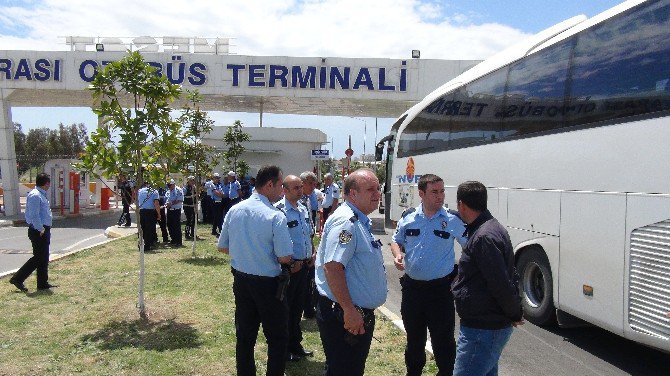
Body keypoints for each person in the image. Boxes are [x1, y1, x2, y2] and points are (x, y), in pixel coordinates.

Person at [218, 165, 294, 376]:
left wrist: (246, 252)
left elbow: (223, 246)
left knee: (245, 336)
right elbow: (285, 256)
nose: (282, 190)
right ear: (269, 184)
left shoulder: (235, 209)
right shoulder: (274, 215)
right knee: (277, 338)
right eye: (281, 185)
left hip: (241, 281)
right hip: (269, 285)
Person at [390, 174, 467, 376]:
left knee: (443, 340)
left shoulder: (452, 219)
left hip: (440, 291)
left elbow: (471, 247)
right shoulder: (408, 217)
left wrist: (463, 275)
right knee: (414, 338)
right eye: (434, 192)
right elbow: (396, 240)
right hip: (413, 290)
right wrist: (398, 255)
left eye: (442, 191)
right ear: (422, 194)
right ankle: (413, 372)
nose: (440, 196)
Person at [315, 168, 386, 376]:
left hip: (353, 312)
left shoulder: (359, 220)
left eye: (378, 189)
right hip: (344, 314)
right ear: (353, 193)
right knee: (344, 370)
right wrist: (349, 310)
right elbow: (333, 267)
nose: (377, 194)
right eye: (370, 189)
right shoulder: (347, 222)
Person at [451, 181, 523, 376]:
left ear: (461, 205)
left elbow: (500, 283)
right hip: (487, 326)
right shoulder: (491, 227)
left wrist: (515, 313)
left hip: (482, 329)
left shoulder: (483, 237)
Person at [275, 175, 315, 362]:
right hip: (290, 269)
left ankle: (295, 344)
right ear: (285, 190)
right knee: (286, 311)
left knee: (298, 309)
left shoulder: (303, 208)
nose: (300, 190)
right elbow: (276, 243)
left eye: (301, 186)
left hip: (305, 266)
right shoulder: (279, 211)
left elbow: (308, 234)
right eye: (296, 188)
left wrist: (312, 254)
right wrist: (291, 264)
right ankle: (285, 349)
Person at [10, 173, 56, 292]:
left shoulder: (41, 194)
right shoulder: (35, 195)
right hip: (38, 230)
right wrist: (40, 229)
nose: (49, 185)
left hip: (43, 229)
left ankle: (42, 283)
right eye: (49, 183)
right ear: (46, 183)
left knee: (44, 257)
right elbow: (34, 215)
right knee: (38, 257)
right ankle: (18, 279)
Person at [299, 171, 319, 319]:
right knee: (302, 281)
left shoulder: (307, 199)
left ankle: (309, 308)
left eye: (315, 183)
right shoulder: (296, 200)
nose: (314, 186)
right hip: (299, 247)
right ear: (303, 183)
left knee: (310, 279)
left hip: (309, 242)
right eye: (311, 183)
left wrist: (313, 247)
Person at [137, 181, 161, 251]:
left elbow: (138, 201)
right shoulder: (154, 191)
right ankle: (148, 245)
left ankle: (141, 243)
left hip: (142, 211)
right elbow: (156, 203)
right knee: (149, 229)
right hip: (150, 212)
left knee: (143, 228)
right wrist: (159, 214)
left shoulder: (140, 191)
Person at [165, 179, 184, 247]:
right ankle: (173, 239)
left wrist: (171, 203)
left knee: (176, 226)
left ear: (173, 184)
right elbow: (166, 199)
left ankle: (179, 241)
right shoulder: (168, 191)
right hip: (169, 210)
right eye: (168, 185)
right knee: (170, 225)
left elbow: (180, 199)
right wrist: (166, 204)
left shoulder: (178, 190)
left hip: (176, 210)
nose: (169, 187)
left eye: (170, 185)